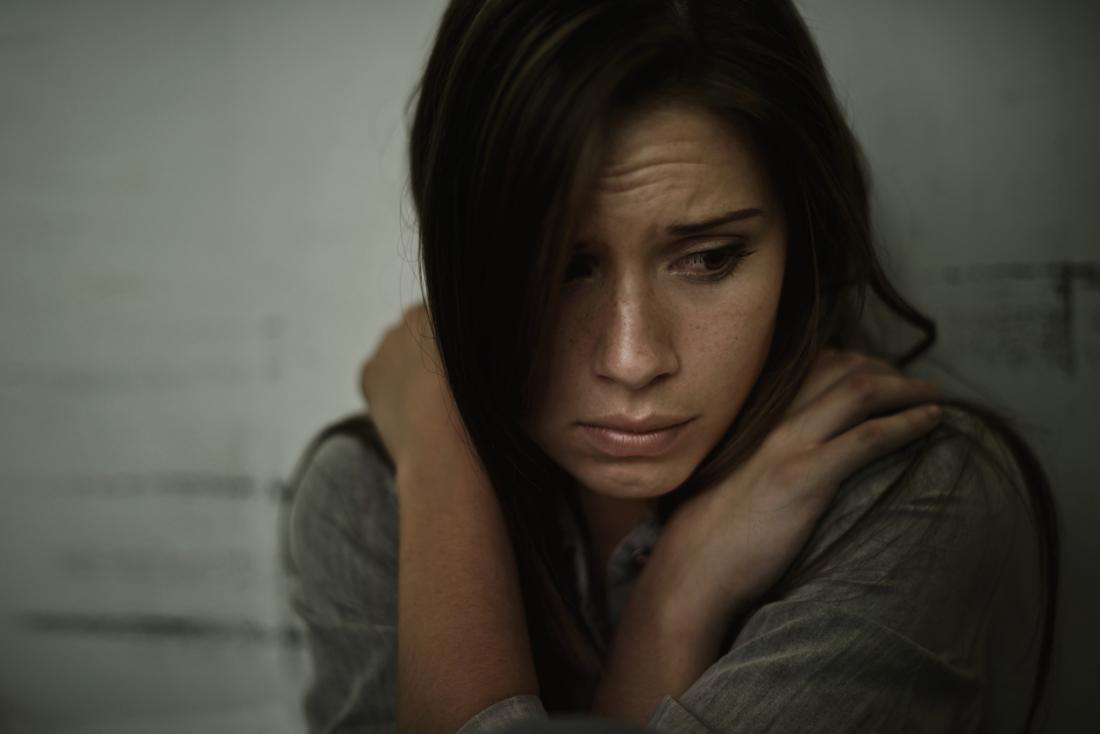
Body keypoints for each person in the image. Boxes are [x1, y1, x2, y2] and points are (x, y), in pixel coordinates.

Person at [282, 1, 1059, 732]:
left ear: (802, 237)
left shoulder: (905, 500)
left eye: (711, 258)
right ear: (460, 257)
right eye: (557, 268)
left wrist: (433, 435)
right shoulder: (368, 500)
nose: (632, 360)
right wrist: (676, 601)